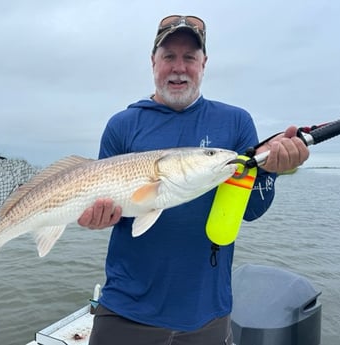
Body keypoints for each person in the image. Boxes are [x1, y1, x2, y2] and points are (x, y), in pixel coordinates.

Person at [78, 15, 309, 345]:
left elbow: (252, 209)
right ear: (153, 61)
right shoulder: (123, 125)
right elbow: (109, 206)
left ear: (204, 63)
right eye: (169, 56)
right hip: (126, 308)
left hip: (206, 312)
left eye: (189, 57)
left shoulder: (235, 122)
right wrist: (96, 217)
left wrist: (271, 169)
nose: (178, 67)